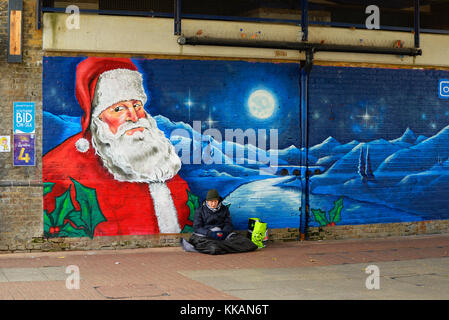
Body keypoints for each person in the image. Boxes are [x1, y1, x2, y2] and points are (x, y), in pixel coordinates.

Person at [43, 57, 191, 236]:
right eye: (119, 109)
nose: (134, 117)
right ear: (98, 118)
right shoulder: (62, 166)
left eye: (137, 105)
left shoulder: (158, 158)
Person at [183, 189, 258, 255]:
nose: (213, 204)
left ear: (218, 200)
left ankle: (219, 247)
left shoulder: (224, 209)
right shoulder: (200, 210)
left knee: (250, 244)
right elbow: (197, 227)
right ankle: (225, 247)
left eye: (215, 201)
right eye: (211, 201)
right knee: (213, 248)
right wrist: (210, 233)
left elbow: (228, 224)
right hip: (206, 236)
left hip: (222, 235)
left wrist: (224, 232)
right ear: (207, 201)